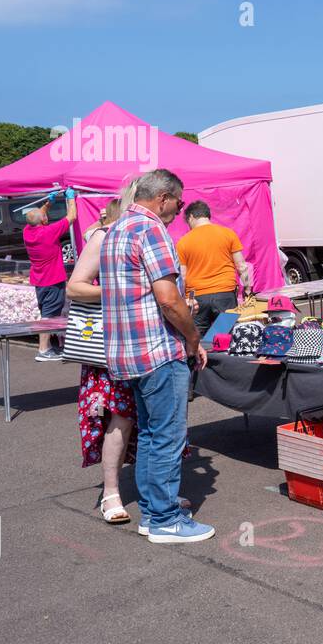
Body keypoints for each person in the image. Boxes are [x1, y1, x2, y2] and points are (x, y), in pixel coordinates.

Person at [101, 169, 214, 544]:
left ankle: (154, 512)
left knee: (151, 435)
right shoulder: (150, 230)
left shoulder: (116, 229)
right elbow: (168, 299)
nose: (178, 211)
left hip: (127, 353)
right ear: (163, 197)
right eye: (178, 204)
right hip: (157, 351)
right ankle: (164, 519)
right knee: (165, 436)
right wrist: (194, 338)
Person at [175, 200, 250, 333]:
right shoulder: (228, 234)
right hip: (225, 294)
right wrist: (248, 288)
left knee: (198, 340)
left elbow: (183, 276)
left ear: (191, 217)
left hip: (196, 297)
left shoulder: (183, 242)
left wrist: (183, 300)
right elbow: (241, 266)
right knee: (226, 335)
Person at [23, 189, 77, 360]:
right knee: (48, 315)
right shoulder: (48, 232)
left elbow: (38, 216)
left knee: (47, 312)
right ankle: (43, 350)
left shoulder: (28, 231)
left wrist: (48, 203)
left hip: (40, 280)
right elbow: (72, 216)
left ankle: (49, 347)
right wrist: (71, 198)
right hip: (52, 280)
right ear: (44, 221)